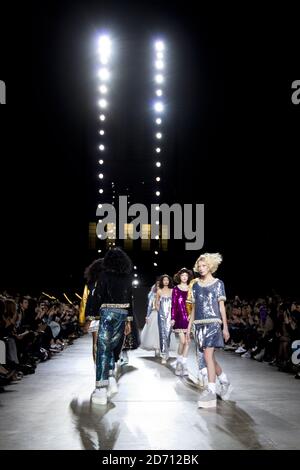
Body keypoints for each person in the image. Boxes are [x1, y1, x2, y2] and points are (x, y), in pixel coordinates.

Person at [187, 253, 233, 408]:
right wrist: (188, 328)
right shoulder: (195, 285)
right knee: (210, 359)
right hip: (199, 325)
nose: (201, 268)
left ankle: (211, 391)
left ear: (211, 266)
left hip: (213, 323)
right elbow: (193, 309)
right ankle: (225, 381)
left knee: (207, 355)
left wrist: (225, 327)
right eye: (199, 266)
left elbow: (221, 307)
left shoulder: (218, 283)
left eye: (204, 265)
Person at [92, 247, 133, 405]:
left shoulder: (104, 275)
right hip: (122, 315)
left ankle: (101, 390)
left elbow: (98, 295)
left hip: (107, 314)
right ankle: (110, 377)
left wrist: (93, 316)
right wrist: (129, 319)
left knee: (103, 349)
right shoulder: (127, 277)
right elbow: (130, 298)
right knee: (112, 347)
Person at [171, 268, 194, 376]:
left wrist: (193, 315)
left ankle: (183, 364)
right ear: (179, 277)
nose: (184, 277)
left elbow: (193, 304)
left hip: (189, 318)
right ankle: (179, 363)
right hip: (179, 318)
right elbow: (174, 304)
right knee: (183, 341)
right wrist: (172, 318)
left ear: (188, 277)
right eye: (182, 275)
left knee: (188, 341)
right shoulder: (176, 289)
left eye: (186, 275)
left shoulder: (191, 288)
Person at [156, 274, 173, 364]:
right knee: (162, 334)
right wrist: (159, 312)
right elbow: (156, 303)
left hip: (170, 315)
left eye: (167, 280)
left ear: (169, 281)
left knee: (168, 333)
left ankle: (167, 351)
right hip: (161, 315)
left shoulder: (172, 291)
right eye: (164, 280)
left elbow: (174, 304)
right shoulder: (159, 291)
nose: (166, 281)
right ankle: (163, 354)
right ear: (162, 281)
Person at [140, 280, 160, 356]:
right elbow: (149, 306)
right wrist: (147, 316)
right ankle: (156, 348)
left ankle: (161, 348)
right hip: (154, 314)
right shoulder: (152, 295)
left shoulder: (164, 294)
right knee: (154, 331)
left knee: (161, 332)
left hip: (162, 315)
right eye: (157, 285)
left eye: (159, 284)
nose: (158, 286)